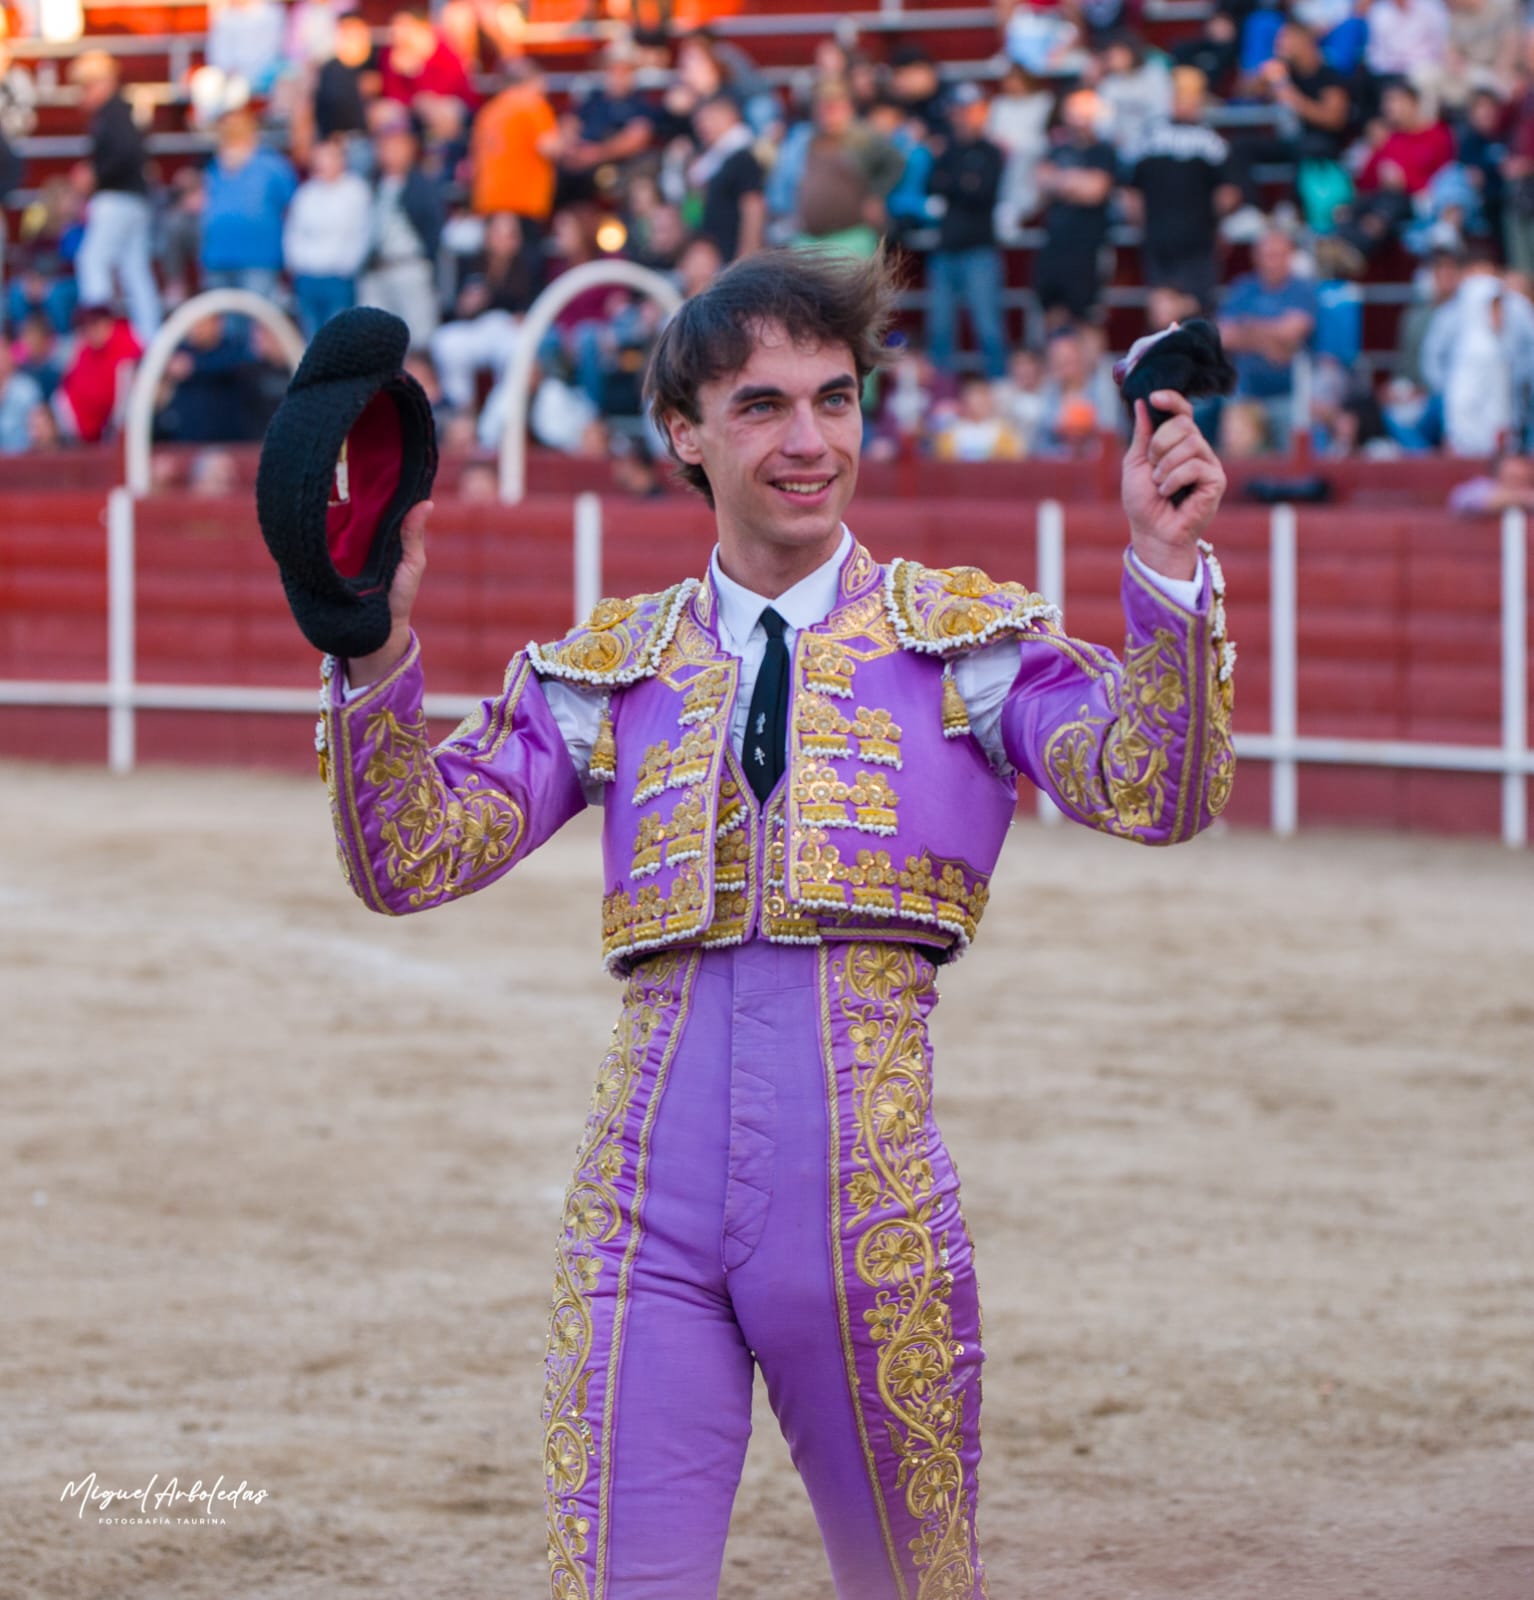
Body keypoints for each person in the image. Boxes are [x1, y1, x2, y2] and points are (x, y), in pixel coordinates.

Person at [310, 248, 1236, 1598]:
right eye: (760, 405)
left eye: (833, 399)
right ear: (680, 432)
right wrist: (372, 650)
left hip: (870, 1228)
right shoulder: (608, 670)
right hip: (643, 1227)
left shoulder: (964, 647)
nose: (809, 442)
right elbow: (408, 858)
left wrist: (1164, 563)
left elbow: (1156, 788)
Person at [1124, 66, 1241, 312]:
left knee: (1176, 309)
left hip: (1185, 238)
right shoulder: (1210, 141)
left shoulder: (1151, 137)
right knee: (1187, 309)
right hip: (1180, 237)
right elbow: (1227, 196)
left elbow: (1227, 195)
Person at [69, 51, 161, 344]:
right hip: (133, 199)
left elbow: (126, 152)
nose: (84, 94)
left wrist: (95, 174)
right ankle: (148, 339)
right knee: (135, 271)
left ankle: (101, 334)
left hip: (117, 199)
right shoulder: (121, 111)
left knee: (92, 261)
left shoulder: (114, 112)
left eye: (87, 86)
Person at [924, 82, 1008, 380]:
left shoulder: (990, 152)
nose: (964, 117)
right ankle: (941, 394)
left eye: (971, 110)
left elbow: (982, 193)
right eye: (960, 110)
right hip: (947, 250)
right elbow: (934, 186)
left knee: (988, 329)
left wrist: (954, 185)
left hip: (979, 250)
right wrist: (963, 183)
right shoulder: (946, 151)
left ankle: (999, 391)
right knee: (939, 330)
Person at [1217, 227, 1318, 448]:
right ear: (1255, 257)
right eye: (1267, 255)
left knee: (1296, 455)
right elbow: (1223, 336)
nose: (1271, 262)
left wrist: (1247, 328)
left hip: (1290, 395)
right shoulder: (1243, 288)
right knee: (1235, 442)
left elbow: (1293, 332)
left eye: (1277, 255)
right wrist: (1272, 343)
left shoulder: (1302, 289)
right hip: (1247, 393)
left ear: (1290, 256)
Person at [359, 104, 443, 350]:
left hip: (410, 266)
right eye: (385, 145)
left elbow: (433, 230)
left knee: (418, 339)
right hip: (376, 269)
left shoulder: (421, 185)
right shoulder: (372, 184)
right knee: (374, 342)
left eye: (397, 144)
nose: (390, 151)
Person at [1032, 87, 1118, 328]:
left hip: (1088, 249)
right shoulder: (1056, 149)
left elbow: (1096, 191)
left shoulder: (1103, 151)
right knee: (1052, 317)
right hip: (1055, 246)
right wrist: (1078, 181)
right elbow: (1041, 183)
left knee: (1088, 322)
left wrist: (1059, 181)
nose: (1079, 118)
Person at [200, 108, 298, 297]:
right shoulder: (215, 167)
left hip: (258, 258)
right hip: (217, 256)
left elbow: (292, 206)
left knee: (256, 309)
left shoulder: (272, 164)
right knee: (224, 313)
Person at [284, 133, 372, 336]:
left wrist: (346, 266)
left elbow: (362, 232)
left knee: (338, 335)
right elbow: (294, 232)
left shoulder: (356, 191)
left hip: (339, 277)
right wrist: (298, 265)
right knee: (311, 335)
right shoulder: (306, 193)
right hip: (308, 276)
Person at [688, 91, 765, 264]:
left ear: (730, 116)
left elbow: (753, 207)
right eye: (699, 121)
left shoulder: (743, 157)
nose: (703, 126)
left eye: (710, 118)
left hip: (733, 255)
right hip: (712, 257)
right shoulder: (706, 162)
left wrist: (747, 256)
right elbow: (692, 216)